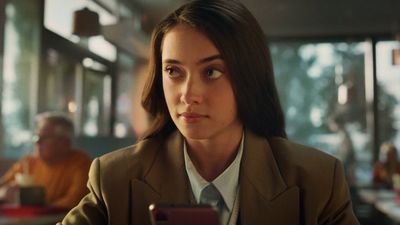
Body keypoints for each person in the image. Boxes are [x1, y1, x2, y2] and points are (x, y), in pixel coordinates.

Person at [58, 0, 360, 224]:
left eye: (212, 72)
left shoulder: (317, 180)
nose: (188, 94)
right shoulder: (115, 179)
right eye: (174, 71)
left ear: (249, 77)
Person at [0, 112, 91, 209]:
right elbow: (2, 185)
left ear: (64, 143)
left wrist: (34, 208)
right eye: (37, 137)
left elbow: (74, 203)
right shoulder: (28, 162)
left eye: (44, 138)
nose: (37, 142)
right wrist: (3, 194)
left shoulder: (81, 163)